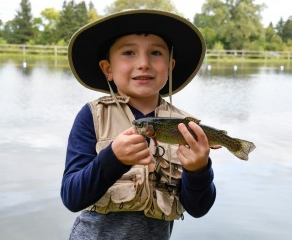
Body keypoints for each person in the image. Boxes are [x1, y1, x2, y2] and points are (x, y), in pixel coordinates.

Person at [61, 9, 216, 240]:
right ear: (108, 69)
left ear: (170, 66)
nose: (143, 63)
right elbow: (72, 197)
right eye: (129, 52)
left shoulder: (185, 126)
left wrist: (199, 169)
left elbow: (198, 208)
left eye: (155, 52)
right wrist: (112, 158)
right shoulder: (91, 116)